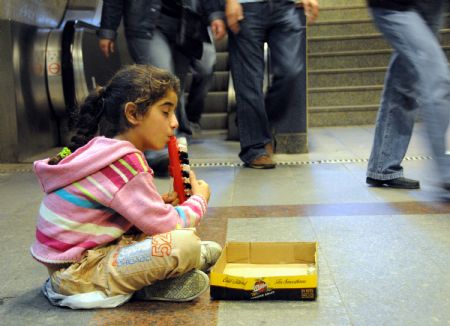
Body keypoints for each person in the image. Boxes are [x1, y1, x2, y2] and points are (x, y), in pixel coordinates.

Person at [30, 65, 222, 309]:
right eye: (166, 112)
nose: (174, 123)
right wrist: (199, 199)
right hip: (77, 274)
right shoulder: (125, 161)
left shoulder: (105, 151)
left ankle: (154, 278)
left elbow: (107, 214)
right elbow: (166, 225)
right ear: (133, 114)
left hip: (81, 261)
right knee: (185, 244)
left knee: (175, 241)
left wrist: (156, 205)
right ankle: (149, 284)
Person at [98, 0, 226, 177]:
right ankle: (157, 152)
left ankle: (177, 137)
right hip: (146, 22)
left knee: (179, 85)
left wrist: (215, 15)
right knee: (161, 81)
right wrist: (108, 29)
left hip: (185, 23)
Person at [223, 0, 319, 169]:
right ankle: (255, 148)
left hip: (285, 6)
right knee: (248, 81)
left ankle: (258, 124)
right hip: (246, 7)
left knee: (291, 71)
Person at [365, 0, 450, 190]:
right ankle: (447, 172)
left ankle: (383, 166)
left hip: (431, 9)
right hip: (396, 7)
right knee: (437, 80)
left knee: (404, 84)